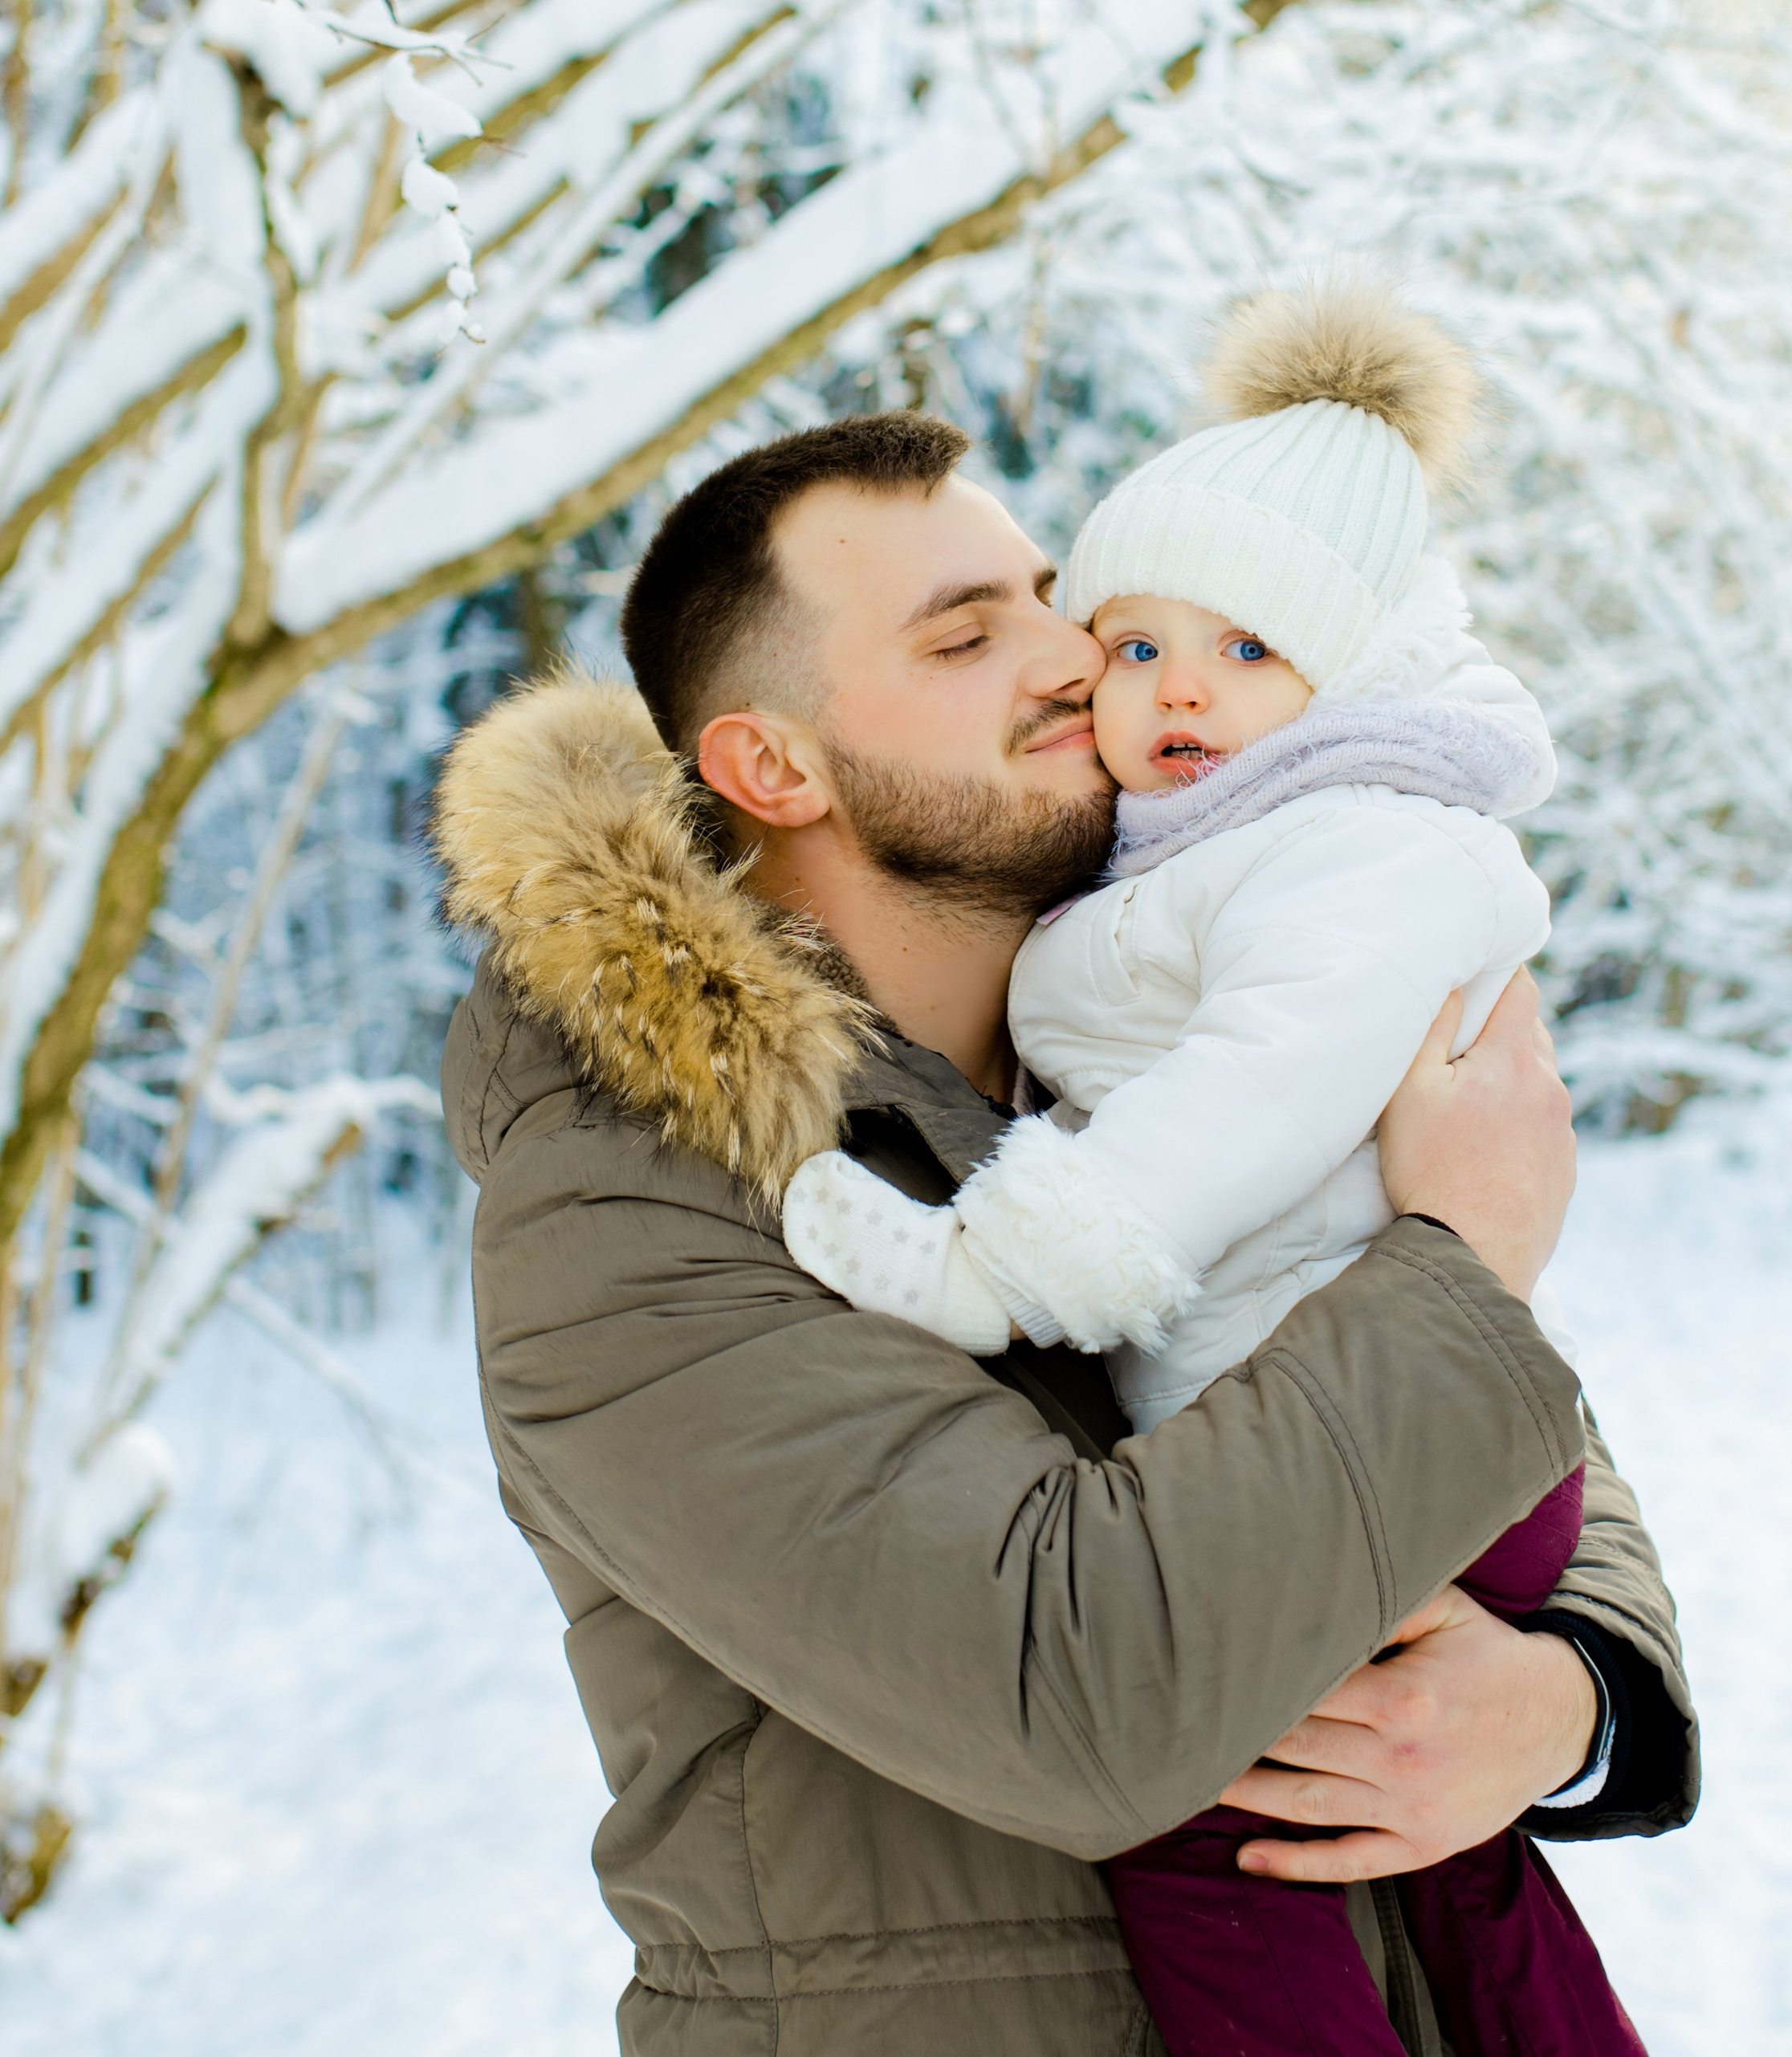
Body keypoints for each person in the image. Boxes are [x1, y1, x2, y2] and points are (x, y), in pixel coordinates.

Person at [432, 403, 1697, 2056]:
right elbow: (1080, 1690)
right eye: (968, 636)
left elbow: (1507, 1418)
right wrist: (1458, 1253)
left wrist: (1567, 1696)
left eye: (1049, 597)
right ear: (773, 765)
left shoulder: (1132, 1031)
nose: (1070, 657)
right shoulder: (630, 1216)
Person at [776, 273, 1638, 2057]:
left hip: (1360, 1429)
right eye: (1140, 643)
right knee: (1425, 1855)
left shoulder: (1351, 844)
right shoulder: (1204, 847)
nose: (1173, 690)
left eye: (1249, 650)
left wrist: (997, 1261)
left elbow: (1253, 1092)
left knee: (1224, 1831)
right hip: (1340, 1416)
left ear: (1353, 672)